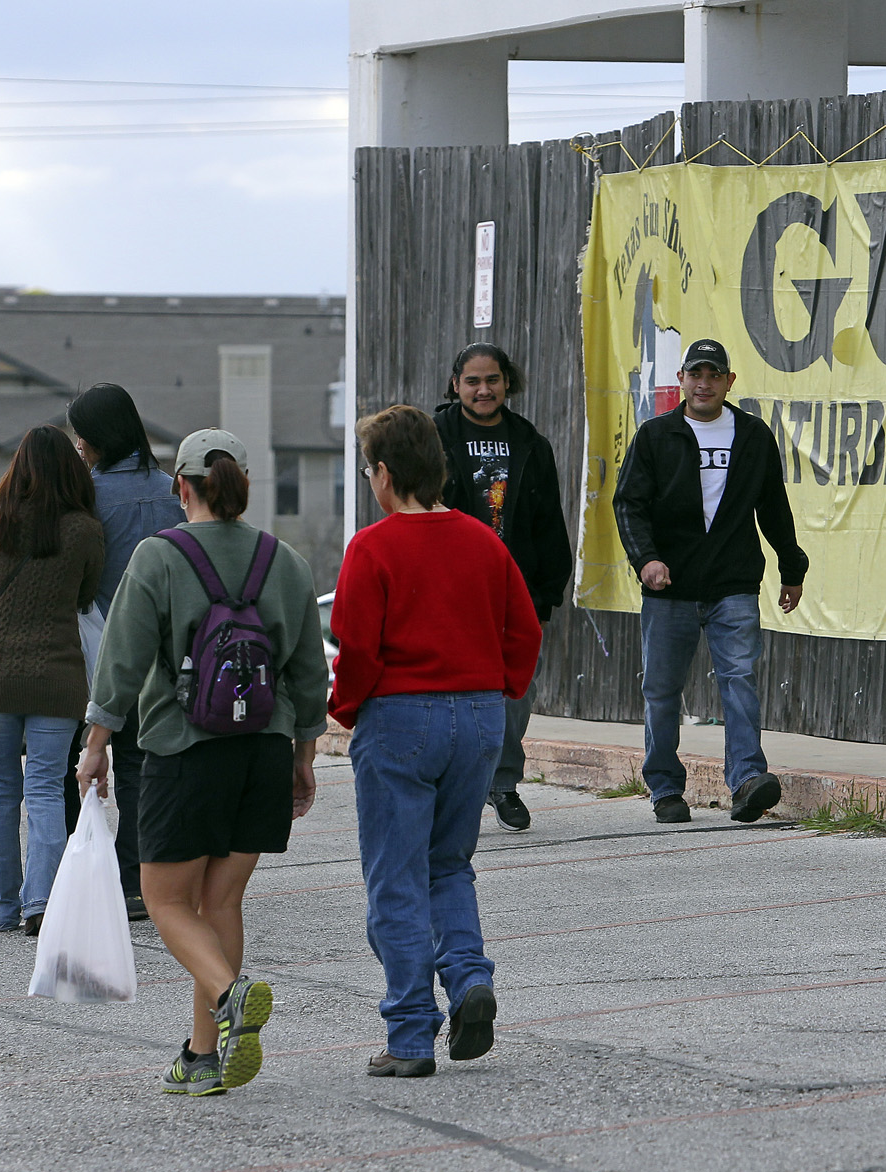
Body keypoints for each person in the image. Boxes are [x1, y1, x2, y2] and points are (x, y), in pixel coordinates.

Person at [78, 429, 329, 1096]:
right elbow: (310, 676)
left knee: (164, 901)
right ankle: (203, 1056)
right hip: (266, 751)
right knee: (220, 902)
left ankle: (229, 993)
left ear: (180, 488)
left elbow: (122, 661)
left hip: (186, 751)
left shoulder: (158, 557)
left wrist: (97, 744)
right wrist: (304, 757)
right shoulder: (288, 562)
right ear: (244, 483)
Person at [331, 406, 541, 1077]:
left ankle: (410, 1035)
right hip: (480, 715)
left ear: (386, 474)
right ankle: (469, 975)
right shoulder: (484, 541)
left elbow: (356, 646)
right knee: (449, 863)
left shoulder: (372, 546)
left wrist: (343, 708)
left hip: (400, 719)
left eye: (369, 470)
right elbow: (525, 630)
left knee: (394, 878)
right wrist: (499, 687)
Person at [612, 338, 806, 826]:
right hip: (669, 588)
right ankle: (665, 787)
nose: (704, 383)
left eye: (714, 374)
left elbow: (774, 509)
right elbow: (629, 504)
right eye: (695, 374)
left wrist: (791, 567)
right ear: (681, 381)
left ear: (729, 381)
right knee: (661, 688)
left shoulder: (753, 436)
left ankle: (746, 781)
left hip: (732, 583)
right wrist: (646, 560)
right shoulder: (656, 436)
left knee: (739, 679)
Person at [0, 425, 104, 935]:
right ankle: (40, 904)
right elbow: (87, 593)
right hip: (55, 675)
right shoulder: (85, 528)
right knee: (46, 787)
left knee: (0, 791)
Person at [434, 342, 573, 834]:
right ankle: (454, 785)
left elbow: (549, 524)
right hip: (449, 591)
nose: (483, 389)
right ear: (456, 385)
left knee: (514, 694)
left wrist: (548, 593)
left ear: (506, 382)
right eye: (472, 380)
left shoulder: (530, 443)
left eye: (491, 379)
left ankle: (503, 783)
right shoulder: (434, 437)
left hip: (516, 592)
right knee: (452, 692)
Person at [69, 382, 185, 921]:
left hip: (98, 647)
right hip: (167, 651)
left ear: (95, 439)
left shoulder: (82, 496)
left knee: (79, 763)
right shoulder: (173, 491)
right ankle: (138, 880)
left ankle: (76, 875)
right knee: (143, 767)